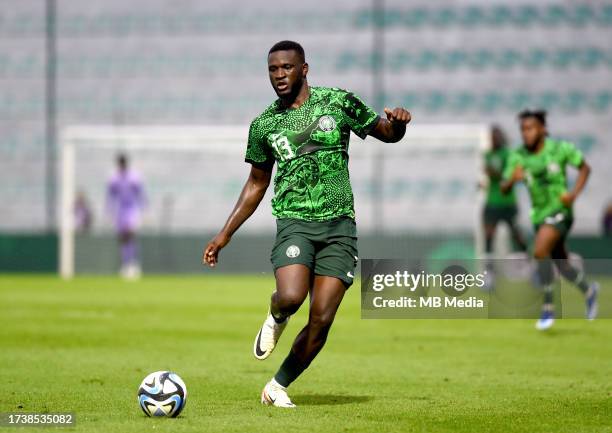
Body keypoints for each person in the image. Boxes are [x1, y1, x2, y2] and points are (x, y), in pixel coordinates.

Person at [202, 40, 411, 407]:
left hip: (339, 227)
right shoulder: (264, 124)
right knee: (292, 296)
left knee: (321, 321)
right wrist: (224, 235)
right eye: (272, 69)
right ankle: (276, 311)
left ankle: (277, 386)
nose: (279, 75)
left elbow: (386, 133)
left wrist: (399, 125)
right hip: (295, 221)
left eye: (286, 68)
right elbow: (256, 183)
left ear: (304, 69)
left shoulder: (339, 102)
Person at [501, 109, 598, 330]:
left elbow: (585, 168)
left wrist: (573, 194)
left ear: (542, 129)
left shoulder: (559, 149)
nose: (526, 133)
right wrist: (511, 181)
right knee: (561, 264)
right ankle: (589, 290)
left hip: (561, 210)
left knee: (539, 251)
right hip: (539, 215)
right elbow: (504, 188)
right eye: (523, 129)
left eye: (530, 128)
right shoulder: (518, 156)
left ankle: (547, 309)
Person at [482, 125, 528, 289]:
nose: (493, 139)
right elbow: (490, 178)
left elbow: (510, 176)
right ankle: (489, 275)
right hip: (491, 203)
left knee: (517, 236)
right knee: (488, 237)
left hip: (508, 203)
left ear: (501, 137)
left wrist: (493, 173)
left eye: (495, 136)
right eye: (491, 136)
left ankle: (532, 267)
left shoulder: (509, 154)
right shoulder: (487, 154)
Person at [106, 153, 146, 279]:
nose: (122, 165)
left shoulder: (134, 177)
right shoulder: (114, 178)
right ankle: (125, 264)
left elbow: (141, 193)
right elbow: (110, 196)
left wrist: (144, 209)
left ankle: (133, 264)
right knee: (123, 239)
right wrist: (109, 211)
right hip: (120, 210)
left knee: (130, 235)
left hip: (131, 210)